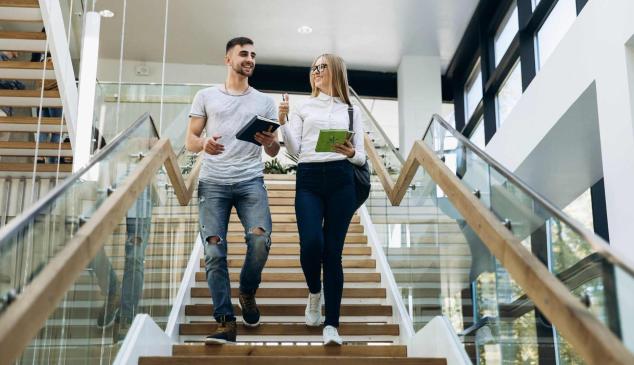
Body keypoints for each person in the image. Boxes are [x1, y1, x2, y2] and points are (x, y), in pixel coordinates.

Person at [185, 37, 280, 344]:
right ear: (228, 59)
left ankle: (248, 291)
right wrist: (204, 144)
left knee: (260, 238)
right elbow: (190, 141)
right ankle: (225, 321)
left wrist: (270, 143)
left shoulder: (264, 101)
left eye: (253, 54)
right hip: (213, 183)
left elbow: (275, 151)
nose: (249, 58)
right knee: (214, 251)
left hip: (250, 180)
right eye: (243, 54)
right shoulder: (206, 95)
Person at [278, 54, 366, 345]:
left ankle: (332, 325)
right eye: (313, 68)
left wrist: (351, 152)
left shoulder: (351, 110)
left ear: (336, 71)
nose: (316, 72)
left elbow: (362, 155)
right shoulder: (305, 107)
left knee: (333, 253)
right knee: (312, 243)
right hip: (309, 178)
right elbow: (293, 150)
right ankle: (315, 292)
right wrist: (283, 122)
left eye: (321, 67)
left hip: (342, 178)